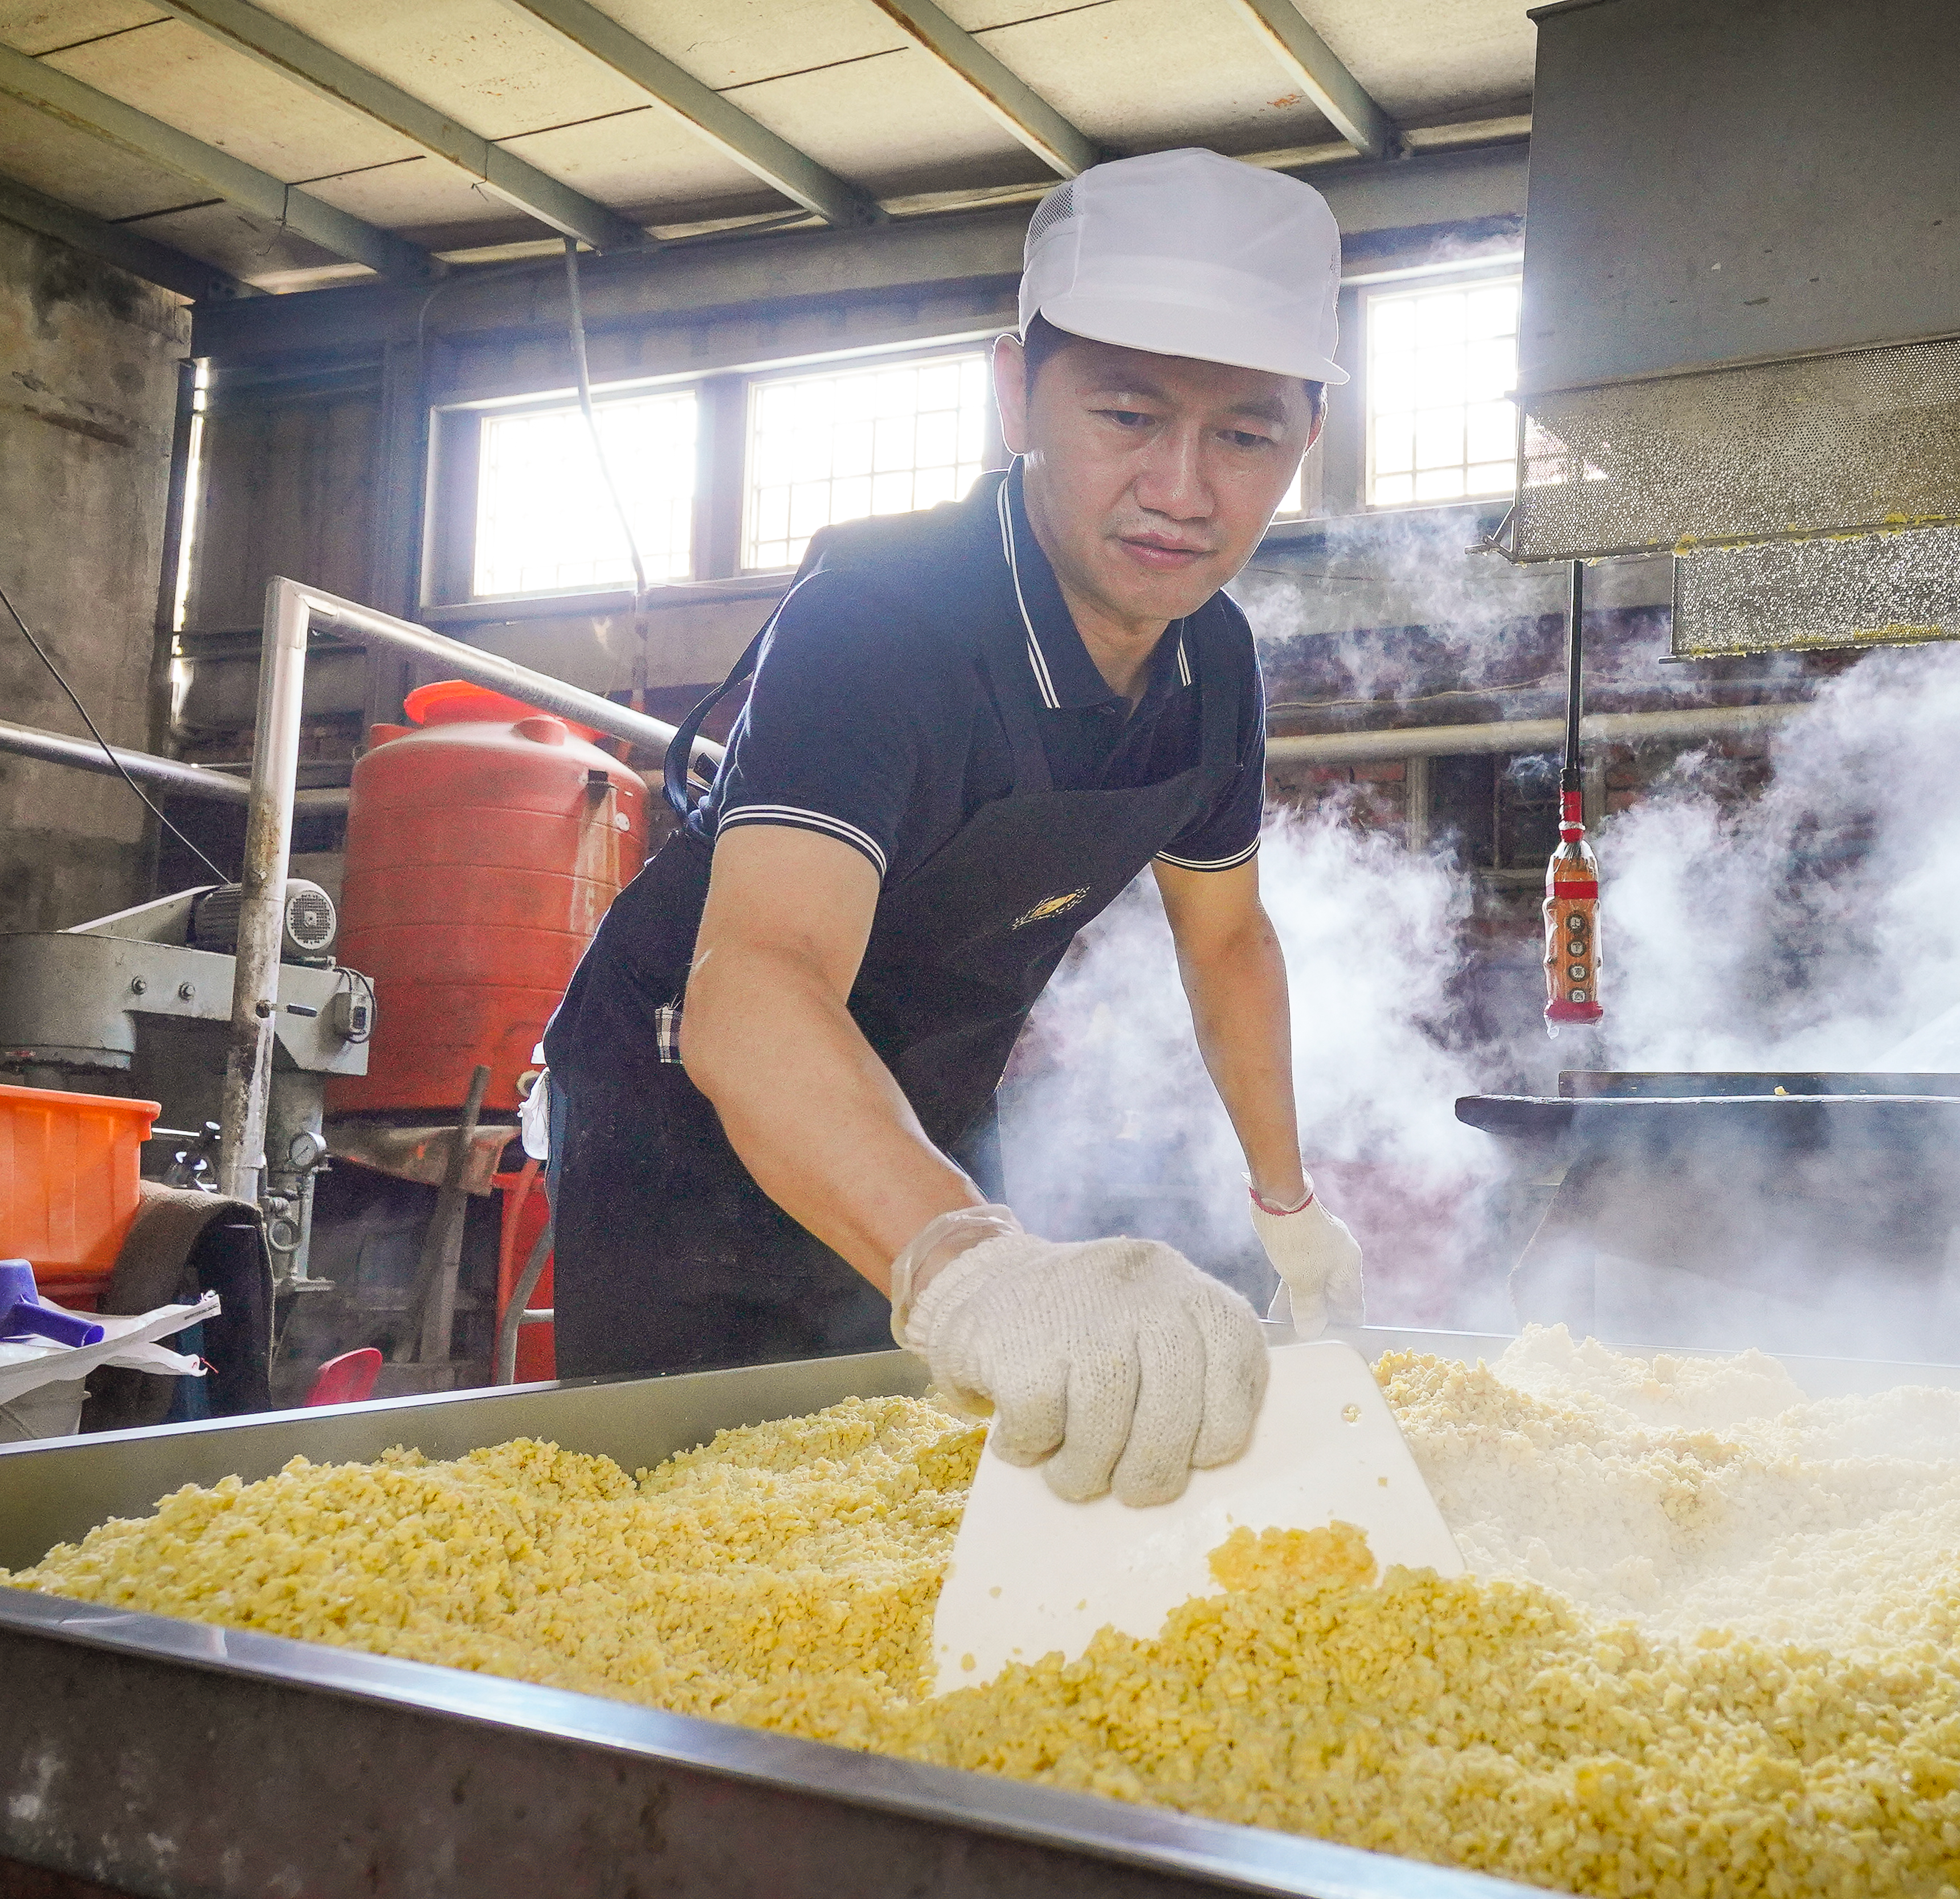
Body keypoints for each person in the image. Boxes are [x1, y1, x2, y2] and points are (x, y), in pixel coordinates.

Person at [542, 148, 1366, 1508]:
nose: (1181, 487)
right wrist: (968, 1262)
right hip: (685, 1102)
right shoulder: (883, 624)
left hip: (928, 1095)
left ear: (1303, 443)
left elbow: (1227, 944)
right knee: (696, 1508)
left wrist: (1290, 1211)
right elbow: (755, 985)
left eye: (1245, 434)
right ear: (1012, 392)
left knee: (931, 1492)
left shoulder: (1213, 662)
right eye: (1124, 414)